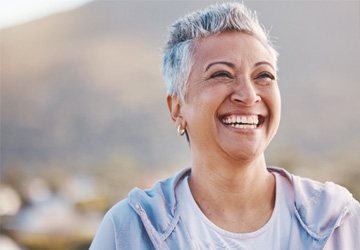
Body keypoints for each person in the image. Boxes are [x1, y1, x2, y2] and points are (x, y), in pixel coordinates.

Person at [90, 2, 360, 249]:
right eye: (221, 74)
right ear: (176, 108)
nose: (249, 94)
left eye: (263, 75)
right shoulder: (131, 230)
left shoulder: (340, 222)